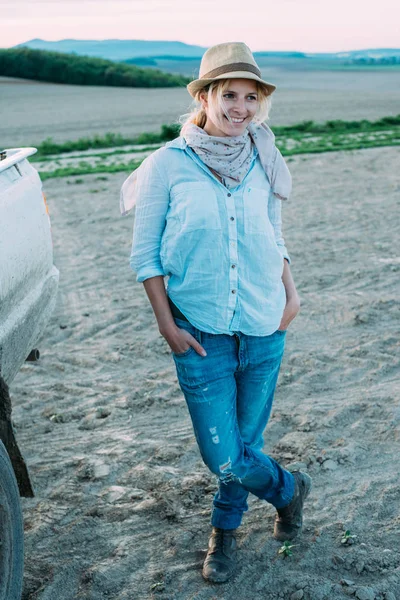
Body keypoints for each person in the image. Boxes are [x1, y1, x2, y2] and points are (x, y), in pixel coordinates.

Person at [121, 42, 312, 584]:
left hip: (263, 326)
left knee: (244, 446)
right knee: (224, 456)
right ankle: (290, 489)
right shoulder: (167, 165)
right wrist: (166, 324)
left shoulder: (263, 158)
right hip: (200, 333)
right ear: (205, 97)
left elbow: (273, 234)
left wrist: (291, 295)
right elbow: (146, 254)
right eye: (229, 94)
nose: (241, 107)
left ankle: (223, 533)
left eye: (251, 97)